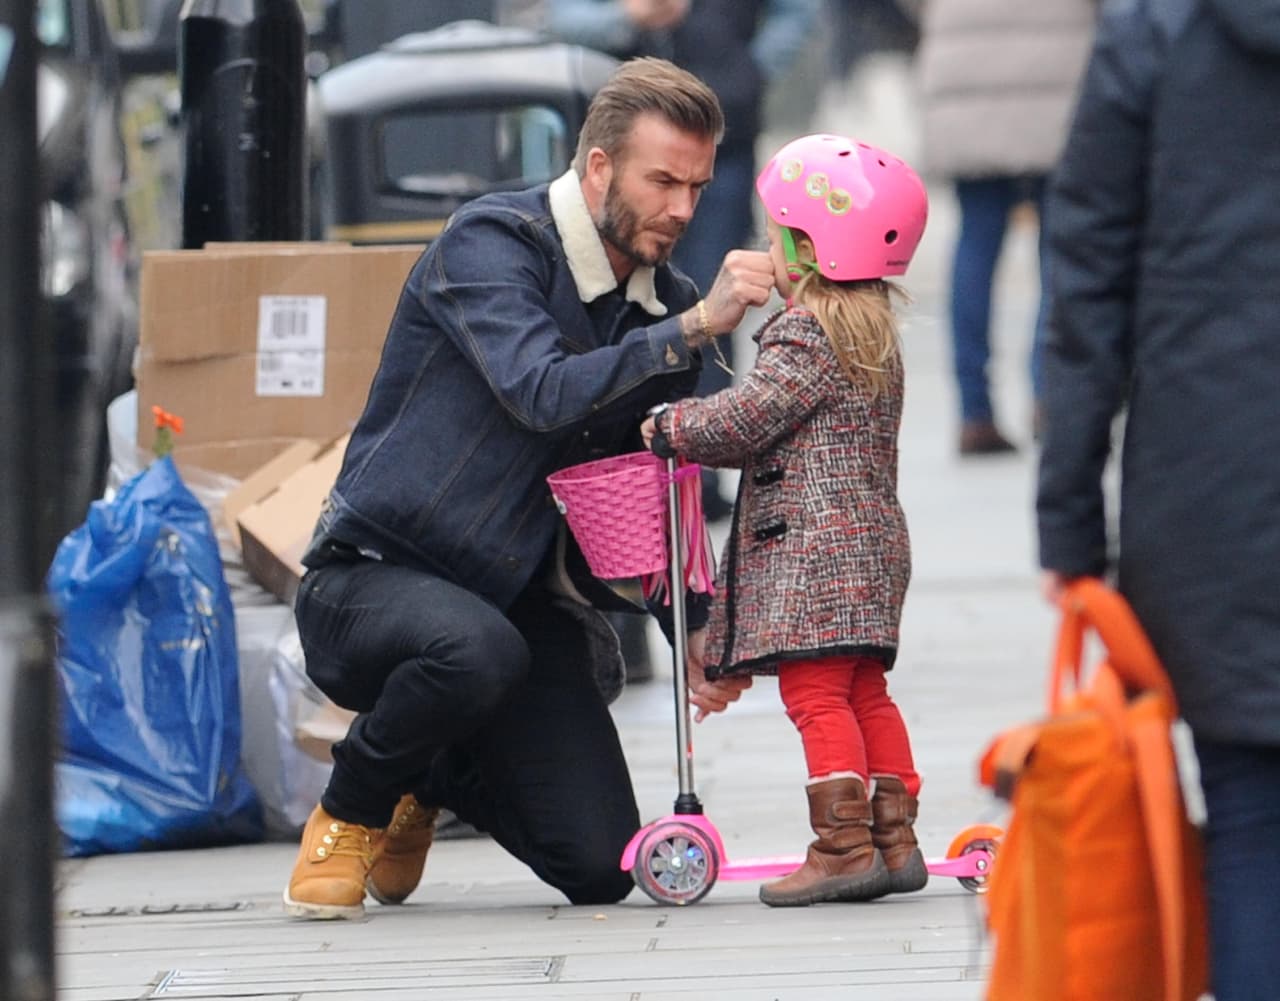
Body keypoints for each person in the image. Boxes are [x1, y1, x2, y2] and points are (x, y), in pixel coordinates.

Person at [282, 57, 776, 920]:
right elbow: (539, 391)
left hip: (512, 609)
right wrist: (692, 329)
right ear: (599, 167)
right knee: (473, 649)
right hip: (372, 582)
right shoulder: (491, 243)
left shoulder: (663, 304)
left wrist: (693, 626)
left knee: (599, 864)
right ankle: (354, 804)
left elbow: (648, 486)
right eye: (663, 182)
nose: (684, 209)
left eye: (698, 187)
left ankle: (425, 771)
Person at [1036, 1, 1280, 997]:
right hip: (1213, 484)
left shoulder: (1155, 29)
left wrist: (1067, 520)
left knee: (1248, 814)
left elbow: (1085, 282)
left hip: (1210, 483)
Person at [641, 133, 929, 907]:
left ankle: (843, 848)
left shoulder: (806, 334)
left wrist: (672, 425)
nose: (768, 250)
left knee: (816, 696)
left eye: (776, 237)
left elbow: (749, 419)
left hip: (818, 557)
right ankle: (894, 839)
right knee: (865, 690)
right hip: (871, 550)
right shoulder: (870, 330)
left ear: (807, 250)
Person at [547, 0, 822, 518]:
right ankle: (636, 465)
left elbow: (799, 12)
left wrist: (749, 68)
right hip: (629, 134)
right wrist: (628, 18)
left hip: (722, 133)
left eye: (690, 192)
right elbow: (560, 17)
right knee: (623, 298)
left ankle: (700, 468)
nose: (681, 208)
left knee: (714, 294)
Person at [915, 0, 1096, 454]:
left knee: (975, 240)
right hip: (1059, 69)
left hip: (964, 68)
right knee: (1062, 245)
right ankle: (1050, 396)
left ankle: (974, 412)